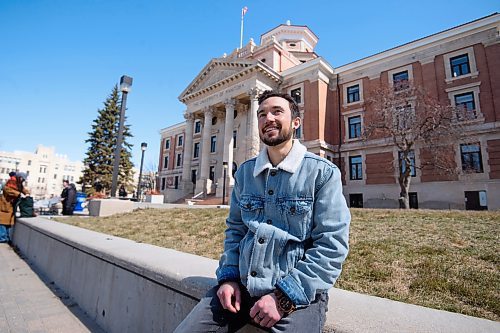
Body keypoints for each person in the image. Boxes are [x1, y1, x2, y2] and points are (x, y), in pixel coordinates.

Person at [174, 91, 350, 332]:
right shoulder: (245, 174)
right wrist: (228, 278)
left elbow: (332, 246)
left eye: (277, 111)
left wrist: (284, 298)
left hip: (297, 297)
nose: (268, 118)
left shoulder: (323, 173)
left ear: (295, 122)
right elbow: (235, 232)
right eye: (262, 114)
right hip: (242, 288)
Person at [0, 172, 30, 243]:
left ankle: (6, 237)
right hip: (5, 204)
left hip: (11, 204)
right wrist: (19, 194)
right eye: (23, 179)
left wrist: (27, 193)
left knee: (8, 223)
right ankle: (2, 238)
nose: (23, 181)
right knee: (2, 222)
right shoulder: (11, 181)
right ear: (20, 177)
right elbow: (7, 190)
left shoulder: (18, 183)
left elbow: (22, 189)